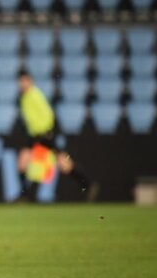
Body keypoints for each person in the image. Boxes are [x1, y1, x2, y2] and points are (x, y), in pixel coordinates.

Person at [16, 70, 97, 201]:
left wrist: (46, 132)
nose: (22, 83)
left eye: (25, 81)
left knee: (62, 162)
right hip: (35, 135)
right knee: (22, 161)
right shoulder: (24, 97)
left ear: (30, 81)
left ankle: (87, 184)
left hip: (43, 134)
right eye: (21, 81)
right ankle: (24, 194)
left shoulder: (35, 95)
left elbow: (48, 115)